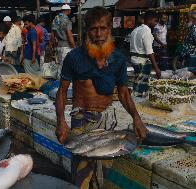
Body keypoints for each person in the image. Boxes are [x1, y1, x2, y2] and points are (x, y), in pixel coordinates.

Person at [55, 7, 147, 189]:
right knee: (82, 172)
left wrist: (136, 118)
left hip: (107, 119)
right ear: (86, 30)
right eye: (93, 29)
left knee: (103, 171)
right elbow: (62, 91)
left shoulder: (118, 59)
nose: (98, 34)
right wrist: (61, 121)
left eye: (103, 28)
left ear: (110, 29)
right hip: (82, 120)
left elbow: (122, 92)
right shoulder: (74, 57)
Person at [130, 11, 161, 97]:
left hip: (134, 60)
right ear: (150, 20)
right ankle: (136, 103)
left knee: (137, 83)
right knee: (140, 86)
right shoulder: (147, 32)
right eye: (155, 21)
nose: (156, 23)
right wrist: (156, 68)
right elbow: (150, 52)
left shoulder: (135, 30)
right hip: (142, 62)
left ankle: (136, 101)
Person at [51, 4, 75, 78]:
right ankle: (63, 85)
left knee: (60, 65)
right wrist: (74, 46)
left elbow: (52, 35)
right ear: (68, 11)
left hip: (58, 46)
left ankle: (58, 84)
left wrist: (54, 46)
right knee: (66, 67)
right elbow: (69, 34)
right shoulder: (67, 20)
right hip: (66, 46)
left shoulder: (55, 19)